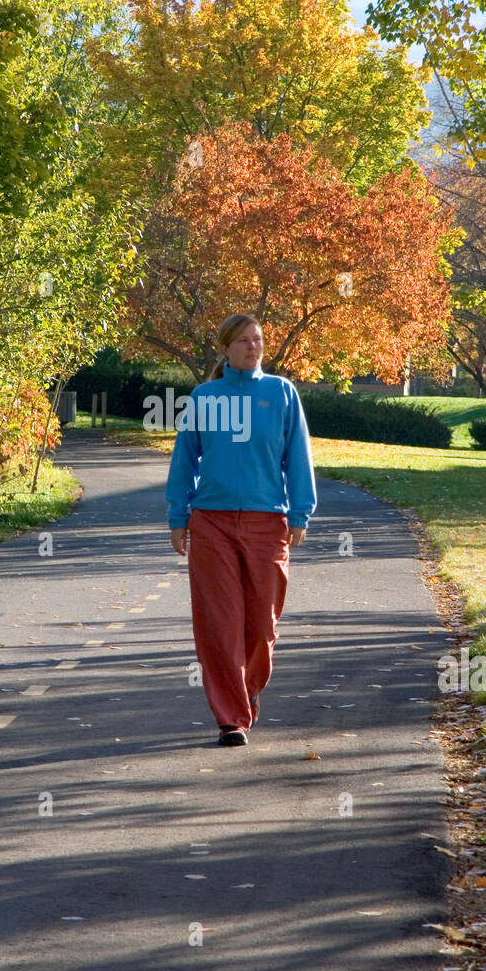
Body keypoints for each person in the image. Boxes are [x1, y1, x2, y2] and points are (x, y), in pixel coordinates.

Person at [165, 313, 317, 746]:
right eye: (245, 341)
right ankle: (231, 717)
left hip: (267, 523)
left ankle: (245, 692)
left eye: (259, 340)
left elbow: (297, 458)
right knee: (220, 623)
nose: (254, 347)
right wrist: (179, 516)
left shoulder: (281, 393)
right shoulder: (205, 398)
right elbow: (184, 462)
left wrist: (300, 513)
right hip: (210, 522)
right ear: (226, 347)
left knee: (262, 626)